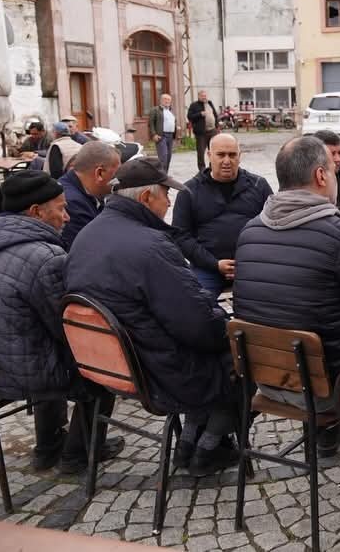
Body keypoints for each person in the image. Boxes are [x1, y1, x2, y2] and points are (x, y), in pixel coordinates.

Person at [65, 158, 239, 476]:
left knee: (210, 346)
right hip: (155, 372)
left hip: (111, 364)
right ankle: (207, 449)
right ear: (146, 198)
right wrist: (226, 325)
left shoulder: (87, 234)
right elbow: (199, 325)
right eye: (165, 194)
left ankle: (189, 442)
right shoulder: (150, 246)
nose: (169, 202)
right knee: (242, 358)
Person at [0, 170, 121, 473]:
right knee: (100, 373)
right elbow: (67, 328)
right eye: (61, 208)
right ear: (36, 212)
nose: (66, 217)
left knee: (38, 350)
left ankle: (48, 447)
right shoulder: (46, 257)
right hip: (16, 374)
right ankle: (78, 455)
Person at [233, 136, 340, 455]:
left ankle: (326, 434)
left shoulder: (249, 232)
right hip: (323, 387)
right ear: (321, 176)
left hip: (264, 377)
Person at [173, 133, 272, 298]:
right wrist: (214, 264)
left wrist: (250, 262)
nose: (227, 161)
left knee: (273, 301)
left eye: (232, 155)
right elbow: (181, 237)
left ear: (240, 157)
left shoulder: (258, 186)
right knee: (196, 305)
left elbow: (272, 228)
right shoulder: (189, 191)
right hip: (207, 267)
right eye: (220, 155)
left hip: (252, 265)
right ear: (209, 156)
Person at [57, 141, 121, 249]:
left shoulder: (79, 190)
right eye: (116, 174)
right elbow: (91, 250)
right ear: (99, 173)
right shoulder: (72, 203)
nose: (118, 181)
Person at [187, 89, 219, 172]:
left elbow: (215, 114)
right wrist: (200, 114)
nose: (204, 97)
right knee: (201, 151)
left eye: (205, 96)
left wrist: (217, 126)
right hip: (201, 132)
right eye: (202, 96)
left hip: (212, 131)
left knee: (213, 150)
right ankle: (202, 169)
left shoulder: (210, 103)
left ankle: (213, 167)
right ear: (199, 96)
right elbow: (190, 116)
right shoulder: (194, 105)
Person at [148, 93, 178, 172]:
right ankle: (161, 176)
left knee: (168, 157)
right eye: (165, 99)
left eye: (168, 99)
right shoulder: (155, 110)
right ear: (161, 100)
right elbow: (150, 123)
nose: (167, 101)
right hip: (161, 136)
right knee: (163, 157)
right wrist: (154, 134)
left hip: (170, 136)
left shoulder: (170, 111)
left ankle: (165, 175)